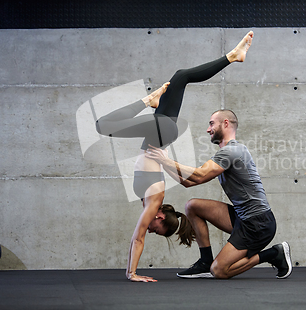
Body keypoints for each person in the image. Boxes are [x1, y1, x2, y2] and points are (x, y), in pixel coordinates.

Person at [95, 31, 255, 282]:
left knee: (181, 76)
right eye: (157, 230)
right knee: (103, 125)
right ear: (160, 217)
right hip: (162, 132)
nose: (152, 230)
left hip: (162, 132)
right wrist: (132, 273)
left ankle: (233, 57)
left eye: (154, 232)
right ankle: (150, 99)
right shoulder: (154, 200)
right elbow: (138, 237)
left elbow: (140, 232)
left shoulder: (151, 200)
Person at [145, 110, 292, 280]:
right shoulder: (225, 153)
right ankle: (205, 262)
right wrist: (163, 162)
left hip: (258, 224)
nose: (208, 129)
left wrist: (164, 160)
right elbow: (188, 182)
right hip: (242, 218)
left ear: (226, 123)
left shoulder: (232, 151)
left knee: (219, 271)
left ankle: (274, 254)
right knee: (192, 206)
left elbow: (198, 175)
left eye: (211, 123)